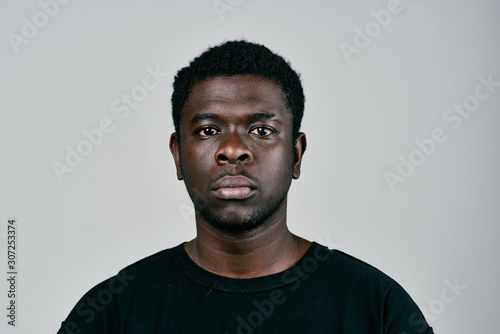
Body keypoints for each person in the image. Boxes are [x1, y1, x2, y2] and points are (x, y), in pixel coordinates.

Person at [57, 40, 434, 334]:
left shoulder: (376, 308)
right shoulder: (113, 311)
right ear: (178, 155)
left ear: (296, 155)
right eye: (208, 131)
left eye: (262, 130)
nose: (233, 150)